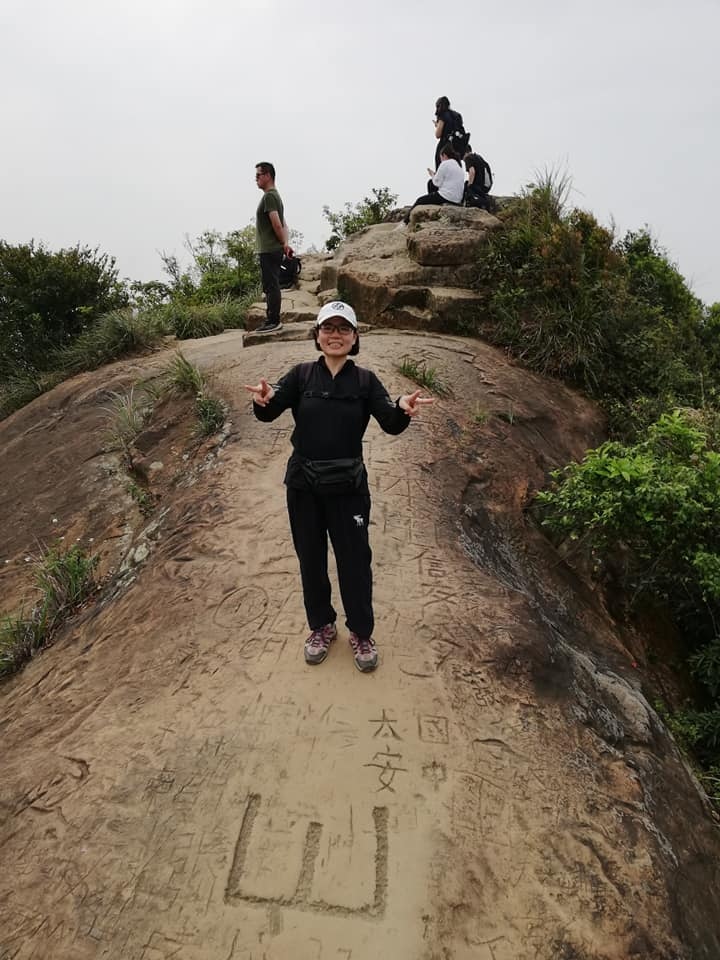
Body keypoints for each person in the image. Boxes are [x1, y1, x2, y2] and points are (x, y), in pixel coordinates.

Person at [244, 301, 434, 673]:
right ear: (317, 336)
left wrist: (403, 407)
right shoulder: (300, 375)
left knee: (355, 561)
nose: (335, 335)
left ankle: (361, 632)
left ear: (354, 337)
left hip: (348, 488)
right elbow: (270, 407)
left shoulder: (365, 381)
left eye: (343, 328)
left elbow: (390, 421)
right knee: (310, 558)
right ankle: (322, 626)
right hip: (304, 485)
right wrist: (262, 401)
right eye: (328, 328)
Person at [254, 161, 293, 335]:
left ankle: (273, 321)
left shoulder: (269, 197)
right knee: (271, 284)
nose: (256, 179)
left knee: (271, 285)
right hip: (273, 248)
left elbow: (277, 224)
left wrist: (283, 244)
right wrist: (285, 244)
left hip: (269, 249)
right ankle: (271, 319)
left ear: (268, 175)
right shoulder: (275, 196)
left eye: (258, 175)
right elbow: (284, 224)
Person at [401, 144, 465, 225]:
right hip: (457, 198)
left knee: (420, 200)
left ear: (444, 155)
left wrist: (432, 175)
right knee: (430, 184)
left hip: (447, 196)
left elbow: (436, 183)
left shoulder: (445, 164)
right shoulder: (458, 167)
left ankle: (405, 222)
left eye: (440, 157)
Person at [433, 96, 466, 169]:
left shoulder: (443, 115)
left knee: (441, 169)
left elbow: (438, 135)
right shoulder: (457, 115)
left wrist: (437, 126)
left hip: (444, 146)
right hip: (456, 147)